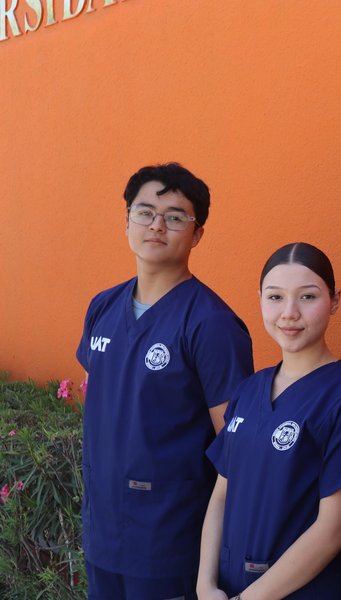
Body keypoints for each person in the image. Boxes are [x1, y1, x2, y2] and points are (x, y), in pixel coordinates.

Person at [76, 163, 255, 599]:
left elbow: (236, 450)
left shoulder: (212, 325)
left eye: (175, 217)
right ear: (126, 220)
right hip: (103, 532)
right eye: (145, 212)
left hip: (169, 543)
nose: (156, 226)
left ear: (197, 234)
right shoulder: (103, 307)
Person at [197, 242, 341, 599]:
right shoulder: (249, 390)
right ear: (260, 299)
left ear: (334, 300)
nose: (289, 313)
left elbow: (334, 529)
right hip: (229, 587)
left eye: (307, 297)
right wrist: (205, 584)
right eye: (275, 297)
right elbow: (221, 496)